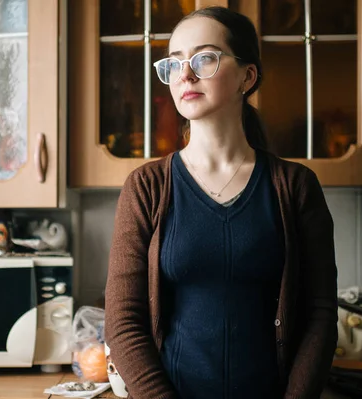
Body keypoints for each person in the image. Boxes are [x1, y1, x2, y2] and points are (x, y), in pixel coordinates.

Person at [105, 6, 338, 399]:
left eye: (205, 58)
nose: (186, 75)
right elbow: (123, 322)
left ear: (247, 76)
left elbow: (321, 315)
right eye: (175, 63)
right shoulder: (145, 187)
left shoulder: (296, 187)